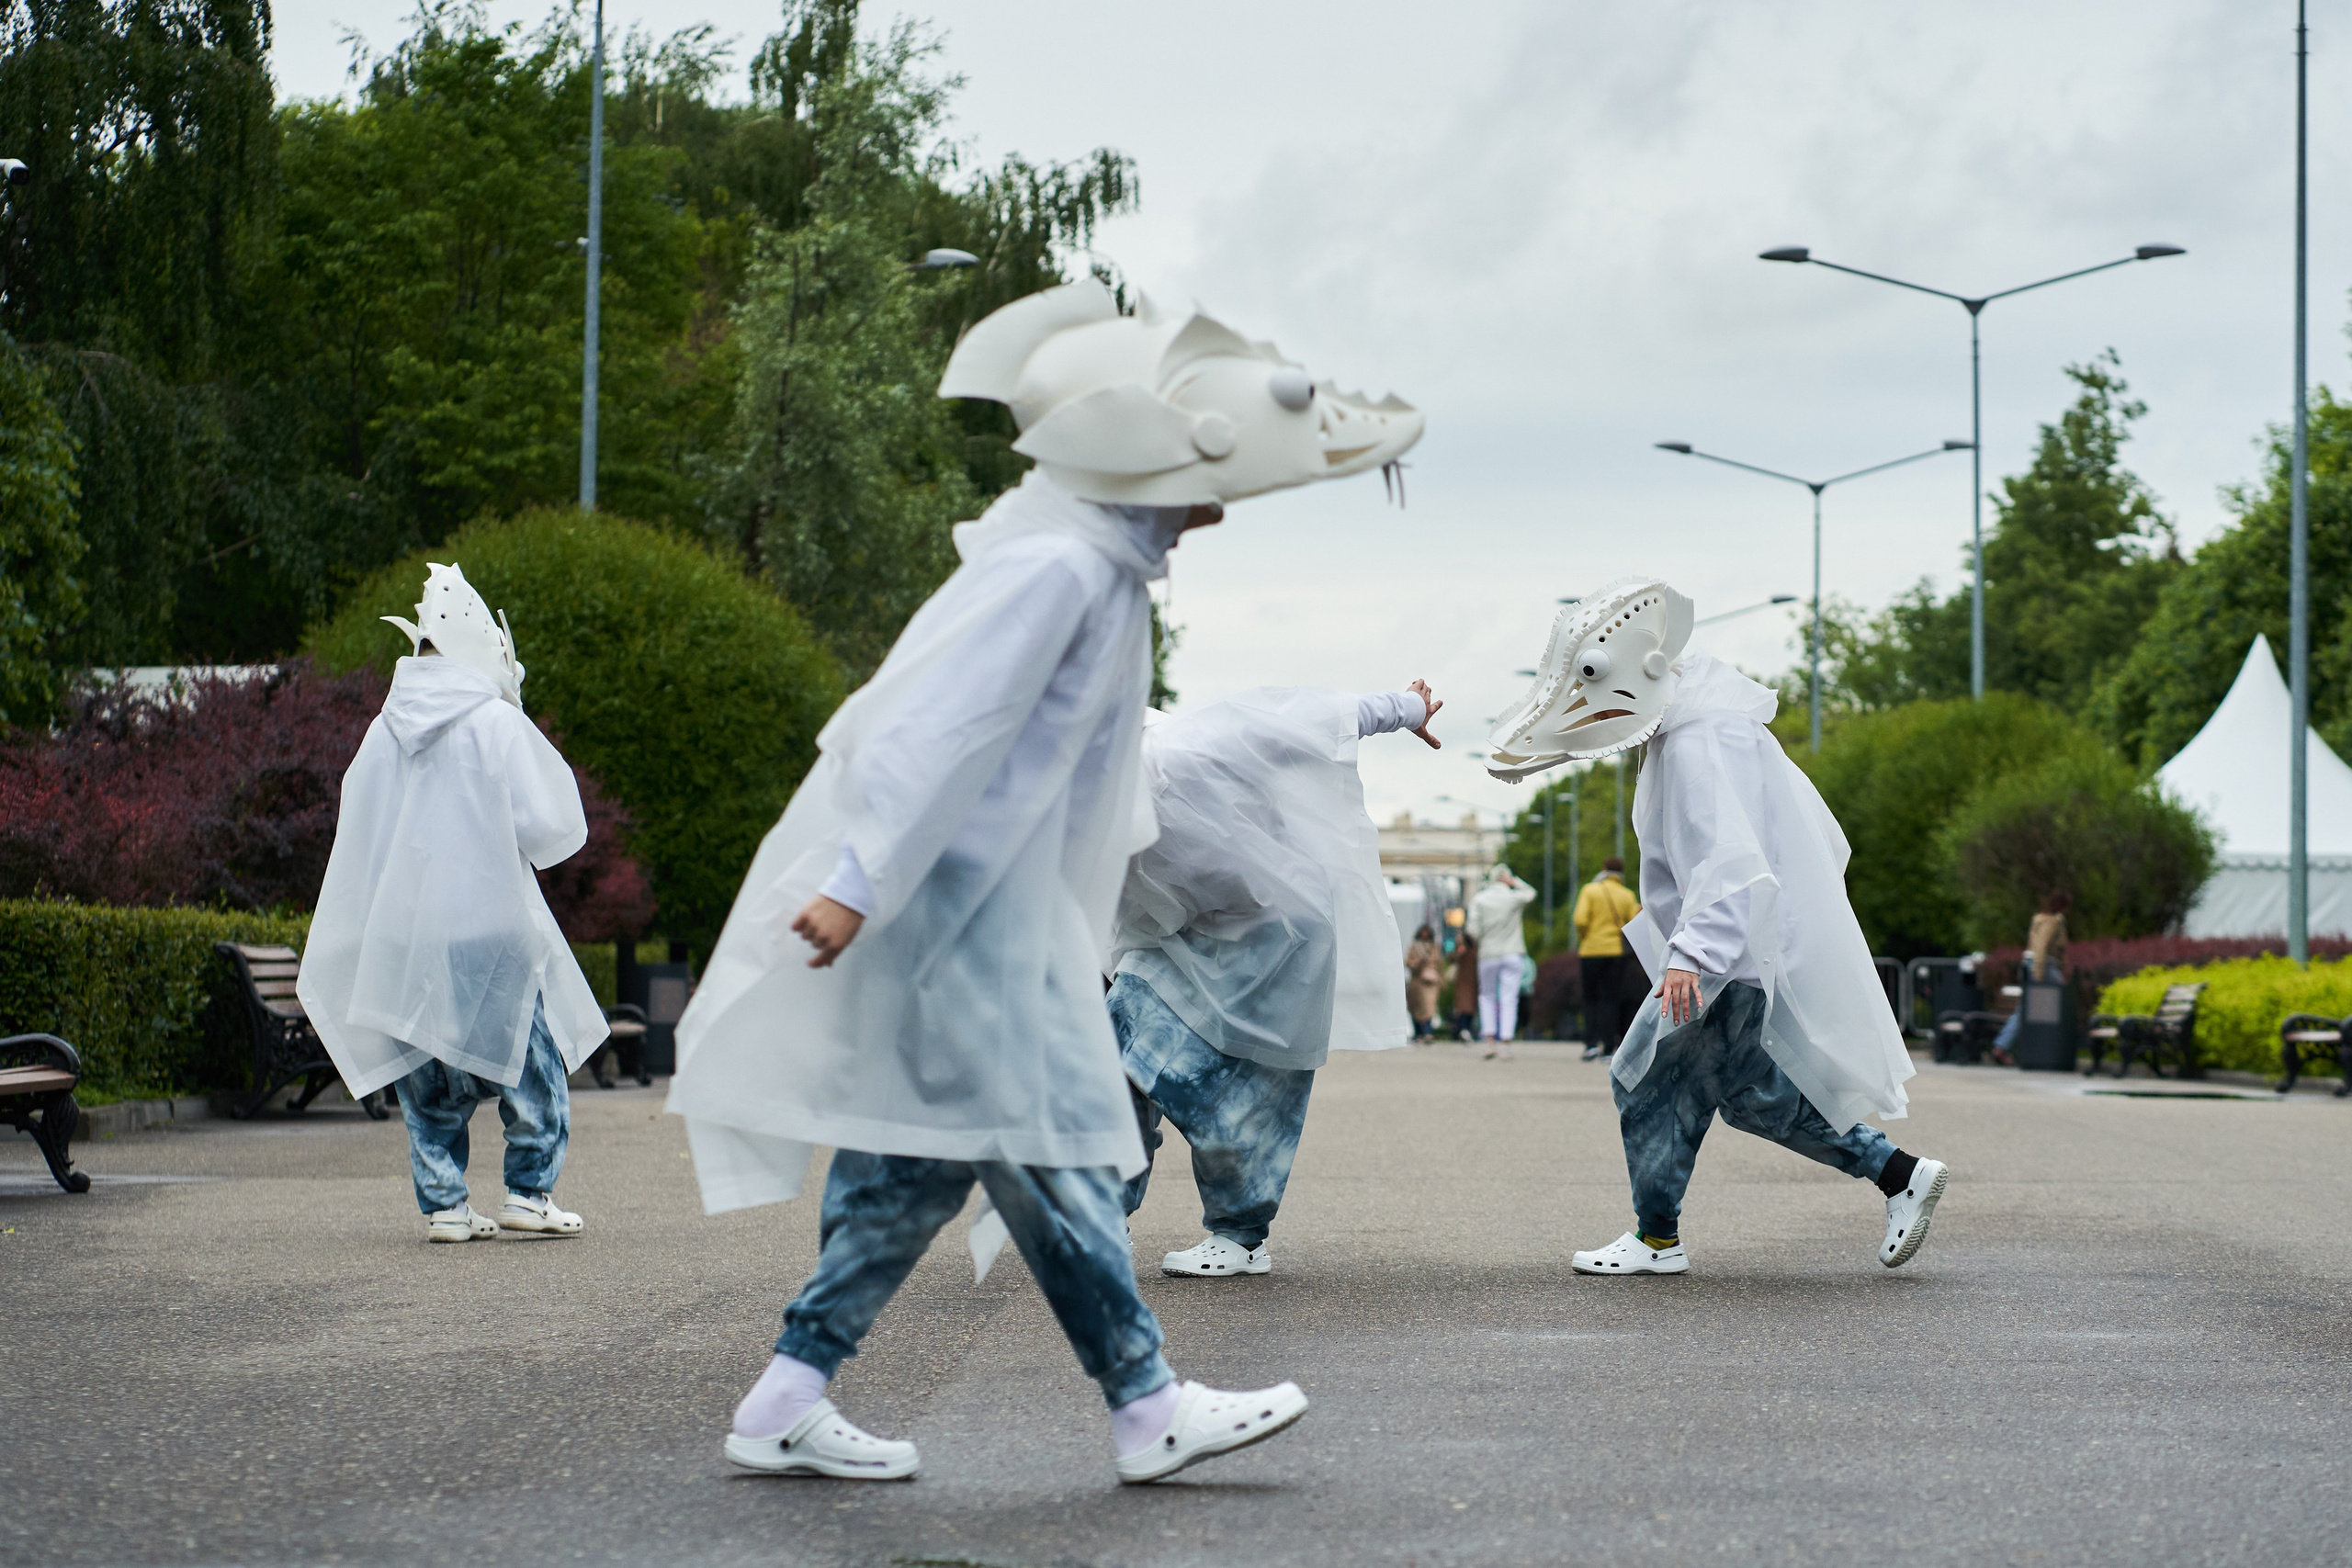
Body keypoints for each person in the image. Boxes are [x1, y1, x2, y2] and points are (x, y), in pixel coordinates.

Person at [664, 282, 1422, 1485]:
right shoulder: (1062, 573)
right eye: (1203, 478)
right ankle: (1144, 1402)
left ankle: (789, 1396)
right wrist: (860, 878)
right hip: (964, 930)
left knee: (910, 1174)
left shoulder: (1094, 568)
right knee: (1055, 1158)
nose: (1219, 505)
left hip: (978, 926)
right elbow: (937, 727)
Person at [1487, 575, 1948, 1276]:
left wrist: (1691, 956)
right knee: (1755, 1096)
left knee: (1643, 1077)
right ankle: (1898, 1172)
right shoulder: (1704, 722)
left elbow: (1730, 860)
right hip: (1733, 954)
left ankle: (1657, 1239)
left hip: (1718, 958)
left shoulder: (1700, 738)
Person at [300, 563, 608, 1244]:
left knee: (429, 1071)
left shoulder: (384, 730)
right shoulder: (493, 723)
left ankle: (444, 1204)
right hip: (489, 923)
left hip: (409, 931)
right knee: (532, 1058)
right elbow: (549, 824)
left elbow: (363, 822)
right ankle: (529, 1191)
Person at [1112, 681, 1439, 1278]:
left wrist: (1407, 708)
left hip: (1281, 930)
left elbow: (1317, 715)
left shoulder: (1191, 749)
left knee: (1253, 1088)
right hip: (1180, 938)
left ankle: (1240, 1236)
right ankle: (1099, 1212)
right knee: (1115, 1045)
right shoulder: (1080, 819)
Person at [1574, 856, 1642, 1062]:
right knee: (1611, 999)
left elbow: (1580, 919)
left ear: (1603, 869)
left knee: (1591, 998)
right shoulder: (1627, 895)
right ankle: (1609, 1046)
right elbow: (1634, 921)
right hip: (1616, 952)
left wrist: (1585, 935)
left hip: (1591, 950)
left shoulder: (1590, 890)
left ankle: (1591, 1043)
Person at [1991, 891, 2070, 1066]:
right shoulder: (2052, 922)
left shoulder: (2039, 919)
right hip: (2044, 966)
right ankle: (2046, 1048)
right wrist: (2039, 974)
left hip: (2032, 964)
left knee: (2026, 1009)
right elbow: (2041, 947)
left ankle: (2003, 1046)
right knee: (2062, 1003)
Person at [1466, 866, 1535, 1058]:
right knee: (1509, 998)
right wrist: (1515, 882)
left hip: (1488, 953)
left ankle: (1489, 1042)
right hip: (1512, 953)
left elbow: (1472, 930)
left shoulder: (1479, 899)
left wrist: (1484, 937)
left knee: (1487, 996)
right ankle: (1506, 1043)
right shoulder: (1513, 898)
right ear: (1506, 879)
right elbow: (1531, 893)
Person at [1405, 925, 1446, 1042]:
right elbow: (1408, 962)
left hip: (1431, 983)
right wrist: (1418, 963)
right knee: (1416, 1008)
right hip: (1417, 981)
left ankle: (1428, 1033)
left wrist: (1441, 980)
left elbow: (1440, 965)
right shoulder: (1414, 947)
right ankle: (1419, 1033)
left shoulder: (1435, 947)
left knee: (1429, 1007)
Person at [1451, 927, 1480, 1042]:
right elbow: (1451, 958)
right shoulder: (1461, 949)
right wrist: (1459, 952)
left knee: (1471, 1008)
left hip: (1473, 981)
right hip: (1463, 981)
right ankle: (1464, 1030)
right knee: (1463, 1007)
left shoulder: (1476, 949)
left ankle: (1466, 1029)